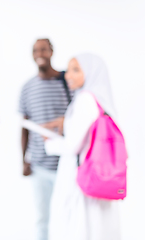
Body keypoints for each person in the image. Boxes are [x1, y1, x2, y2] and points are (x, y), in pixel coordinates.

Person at [44, 53, 121, 240]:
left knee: (76, 228)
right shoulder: (100, 101)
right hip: (96, 177)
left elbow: (72, 146)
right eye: (68, 69)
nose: (68, 75)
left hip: (79, 179)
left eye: (76, 70)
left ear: (91, 72)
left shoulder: (85, 99)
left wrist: (49, 143)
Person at [18, 38, 71, 240]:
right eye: (35, 50)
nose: (39, 53)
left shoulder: (67, 82)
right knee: (42, 219)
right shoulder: (27, 88)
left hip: (66, 163)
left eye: (43, 49)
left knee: (68, 215)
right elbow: (24, 128)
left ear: (51, 52)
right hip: (39, 165)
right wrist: (24, 159)